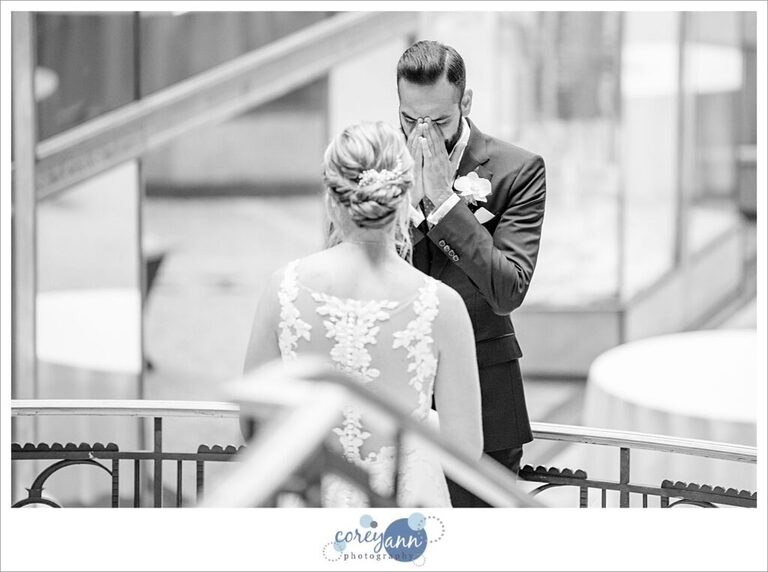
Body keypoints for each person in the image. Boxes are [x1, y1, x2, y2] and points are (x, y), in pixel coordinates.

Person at [243, 121, 483, 507]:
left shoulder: (282, 288)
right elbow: (466, 447)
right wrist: (414, 420)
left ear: (332, 198)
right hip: (405, 506)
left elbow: (254, 424)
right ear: (404, 196)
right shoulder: (442, 304)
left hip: (311, 500)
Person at [397, 40, 547, 507]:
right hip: (391, 389)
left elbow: (508, 288)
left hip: (485, 397)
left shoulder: (517, 170)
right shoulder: (381, 162)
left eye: (438, 121)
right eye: (409, 119)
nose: (422, 135)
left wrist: (444, 203)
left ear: (466, 103)